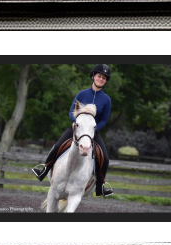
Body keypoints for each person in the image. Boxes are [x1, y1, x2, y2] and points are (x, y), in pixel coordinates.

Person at [32, 64, 113, 197]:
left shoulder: (107, 100)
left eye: (104, 78)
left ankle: (101, 187)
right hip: (77, 129)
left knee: (105, 158)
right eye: (99, 76)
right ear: (93, 76)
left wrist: (94, 129)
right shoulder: (82, 94)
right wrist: (75, 122)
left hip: (92, 132)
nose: (101, 79)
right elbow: (71, 111)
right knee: (57, 146)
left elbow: (104, 119)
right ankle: (44, 169)